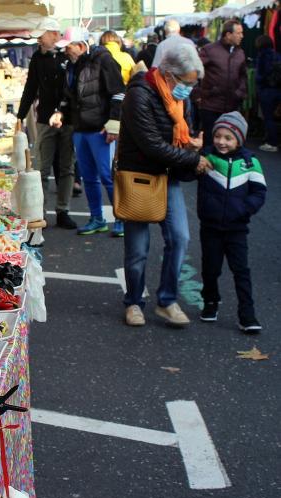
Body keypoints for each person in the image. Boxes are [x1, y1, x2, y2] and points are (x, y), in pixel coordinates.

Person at [118, 44, 210, 328]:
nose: (190, 90)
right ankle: (133, 302)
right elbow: (151, 145)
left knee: (180, 238)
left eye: (193, 84)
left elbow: (181, 133)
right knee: (138, 249)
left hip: (168, 175)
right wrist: (192, 158)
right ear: (169, 76)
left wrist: (191, 142)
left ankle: (167, 300)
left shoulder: (181, 100)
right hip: (139, 178)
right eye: (187, 83)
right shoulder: (139, 95)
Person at [50, 27, 126, 237]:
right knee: (90, 178)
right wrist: (60, 113)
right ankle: (97, 218)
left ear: (82, 46)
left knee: (106, 176)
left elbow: (119, 93)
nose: (66, 51)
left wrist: (113, 124)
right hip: (80, 129)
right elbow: (68, 96)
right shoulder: (72, 66)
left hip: (100, 130)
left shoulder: (104, 60)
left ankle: (121, 218)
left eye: (69, 47)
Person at [197, 112, 266, 333]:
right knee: (210, 269)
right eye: (218, 136)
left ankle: (247, 314)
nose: (221, 142)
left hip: (237, 228)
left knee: (241, 271)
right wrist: (193, 154)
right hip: (210, 227)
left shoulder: (250, 162)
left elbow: (259, 192)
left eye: (228, 137)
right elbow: (187, 174)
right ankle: (210, 302)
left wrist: (243, 209)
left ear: (239, 139)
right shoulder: (206, 156)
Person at [17, 20, 77, 229]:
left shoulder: (67, 55)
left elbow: (74, 86)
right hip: (44, 119)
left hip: (68, 119)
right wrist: (20, 115)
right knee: (42, 168)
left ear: (53, 34)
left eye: (41, 34)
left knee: (66, 167)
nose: (38, 38)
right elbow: (31, 87)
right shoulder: (37, 57)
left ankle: (63, 210)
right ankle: (39, 211)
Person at [198, 20, 247, 148]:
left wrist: (240, 92)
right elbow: (194, 71)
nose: (242, 36)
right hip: (211, 105)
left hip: (231, 106)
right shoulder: (209, 50)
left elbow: (243, 76)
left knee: (228, 143)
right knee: (209, 141)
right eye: (239, 33)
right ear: (228, 34)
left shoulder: (240, 53)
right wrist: (200, 94)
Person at [254, 35, 281, 152]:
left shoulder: (262, 56)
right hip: (278, 90)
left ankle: (272, 142)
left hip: (266, 91)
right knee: (276, 117)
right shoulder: (277, 55)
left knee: (268, 117)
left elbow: (260, 76)